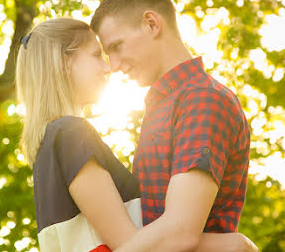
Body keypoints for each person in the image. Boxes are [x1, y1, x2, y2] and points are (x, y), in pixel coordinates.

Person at [15, 17, 258, 252]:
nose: (108, 67)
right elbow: (131, 244)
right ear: (65, 64)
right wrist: (233, 244)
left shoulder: (50, 142)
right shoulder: (71, 134)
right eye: (97, 55)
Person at [90, 0, 254, 252]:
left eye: (116, 47)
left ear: (152, 24)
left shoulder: (202, 99)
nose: (115, 66)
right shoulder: (162, 107)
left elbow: (179, 232)